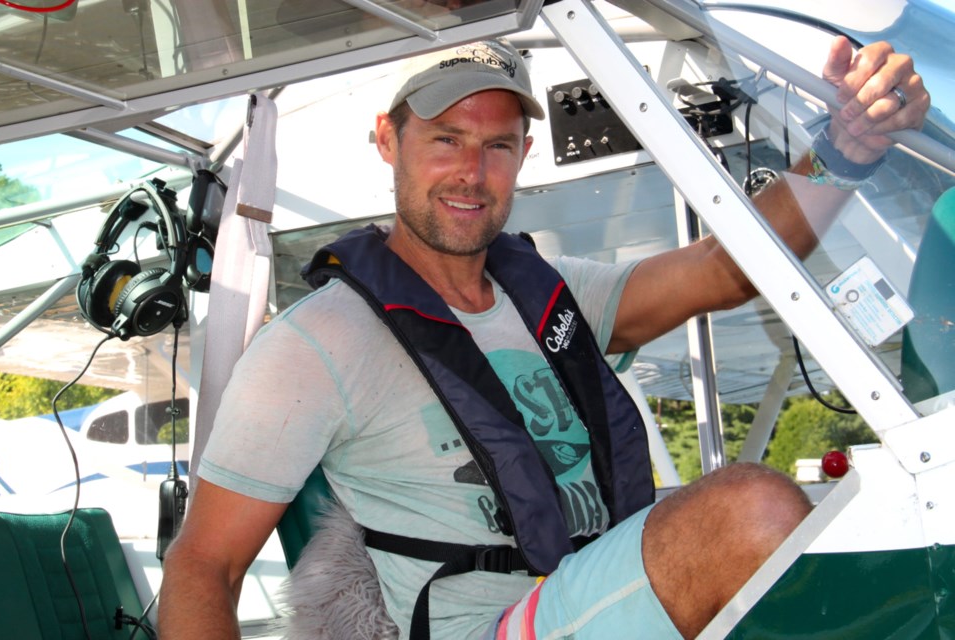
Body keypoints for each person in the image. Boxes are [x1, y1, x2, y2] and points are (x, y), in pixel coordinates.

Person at [161, 35, 929, 640]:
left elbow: (727, 270)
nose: (471, 171)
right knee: (752, 511)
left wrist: (848, 148)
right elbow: (204, 566)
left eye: (497, 146)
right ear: (387, 142)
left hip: (588, 590)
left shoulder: (552, 295)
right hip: (482, 628)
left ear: (523, 155)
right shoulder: (316, 343)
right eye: (445, 139)